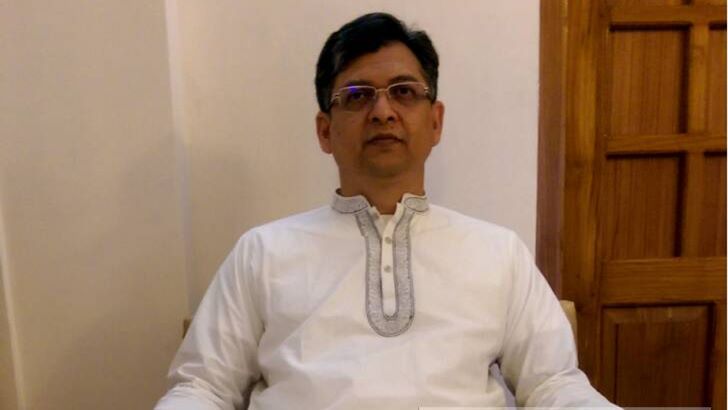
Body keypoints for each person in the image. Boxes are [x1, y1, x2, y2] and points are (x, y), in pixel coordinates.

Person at [155, 12, 618, 410]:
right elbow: (203, 387)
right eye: (357, 95)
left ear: (435, 122)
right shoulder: (262, 253)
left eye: (404, 92)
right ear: (324, 131)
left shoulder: (498, 252)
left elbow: (554, 383)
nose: (382, 111)